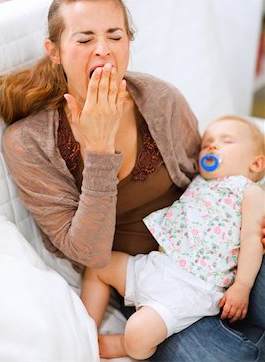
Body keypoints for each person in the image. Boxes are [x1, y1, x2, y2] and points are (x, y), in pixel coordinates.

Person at [0, 0, 265, 361]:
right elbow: (89, 254)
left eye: (115, 36)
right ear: (54, 50)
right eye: (84, 39)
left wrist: (251, 215)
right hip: (145, 284)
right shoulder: (28, 142)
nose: (102, 50)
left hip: (217, 253)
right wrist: (100, 151)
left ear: (129, 43)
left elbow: (210, 177)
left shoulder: (160, 98)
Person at [81, 115, 265, 360]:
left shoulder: (249, 191)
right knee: (99, 264)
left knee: (138, 332)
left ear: (256, 163)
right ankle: (83, 329)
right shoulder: (198, 180)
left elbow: (253, 238)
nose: (211, 146)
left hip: (193, 284)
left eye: (227, 141)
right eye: (207, 143)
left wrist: (242, 285)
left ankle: (126, 345)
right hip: (158, 264)